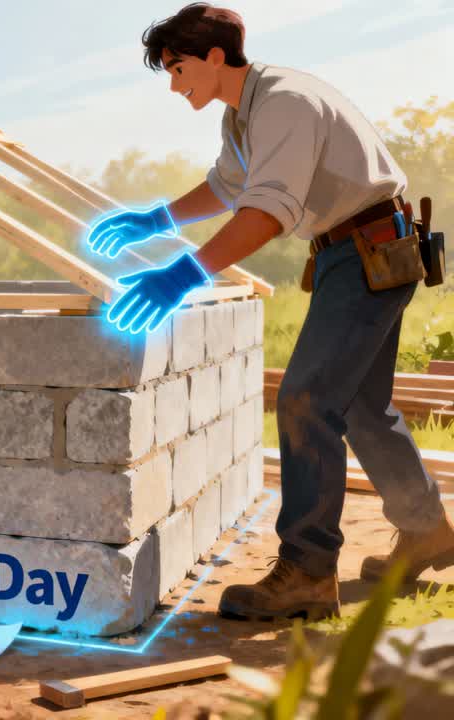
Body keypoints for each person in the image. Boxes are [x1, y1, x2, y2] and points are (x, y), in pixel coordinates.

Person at [86, 3, 454, 619]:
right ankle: (426, 531)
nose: (175, 87)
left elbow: (267, 210)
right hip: (359, 250)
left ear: (214, 56)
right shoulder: (242, 115)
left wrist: (181, 275)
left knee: (306, 399)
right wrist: (153, 220)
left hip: (371, 252)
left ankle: (308, 570)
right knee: (362, 406)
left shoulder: (284, 101)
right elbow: (228, 188)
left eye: (179, 69)